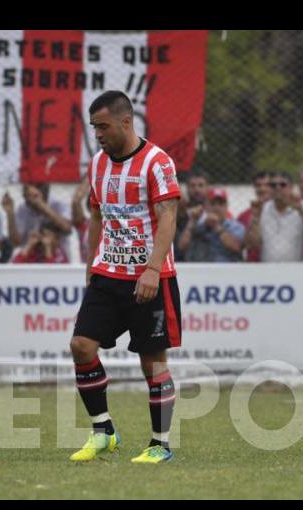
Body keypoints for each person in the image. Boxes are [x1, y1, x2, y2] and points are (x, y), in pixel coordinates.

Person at [69, 90, 182, 464]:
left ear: (125, 122)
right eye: (94, 128)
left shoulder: (157, 162)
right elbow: (97, 217)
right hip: (107, 273)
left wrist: (152, 268)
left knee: (152, 362)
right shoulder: (98, 164)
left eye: (103, 127)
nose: (98, 134)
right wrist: (90, 264)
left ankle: (159, 444)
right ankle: (104, 431)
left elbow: (168, 216)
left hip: (150, 276)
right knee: (81, 346)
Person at [244, 171, 303, 262]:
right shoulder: (262, 209)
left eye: (283, 185)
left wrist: (301, 211)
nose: (278, 188)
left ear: (291, 187)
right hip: (269, 271)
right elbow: (251, 245)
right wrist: (255, 217)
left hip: (298, 271)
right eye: (273, 185)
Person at [2, 182, 72, 261]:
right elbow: (15, 243)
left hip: (57, 260)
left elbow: (67, 228)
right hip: (30, 257)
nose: (27, 200)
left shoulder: (59, 204)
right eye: (25, 196)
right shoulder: (23, 208)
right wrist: (10, 214)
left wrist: (40, 204)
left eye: (29, 196)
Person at [178, 188, 245, 262]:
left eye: (221, 204)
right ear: (205, 207)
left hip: (228, 269)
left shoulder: (235, 226)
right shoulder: (198, 225)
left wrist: (217, 226)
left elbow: (236, 247)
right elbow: (181, 247)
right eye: (212, 204)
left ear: (226, 207)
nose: (216, 208)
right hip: (200, 270)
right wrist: (192, 221)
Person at [237, 171, 273, 262]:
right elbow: (240, 245)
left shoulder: (281, 213)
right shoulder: (244, 216)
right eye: (258, 185)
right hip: (253, 266)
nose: (262, 189)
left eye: (266, 185)